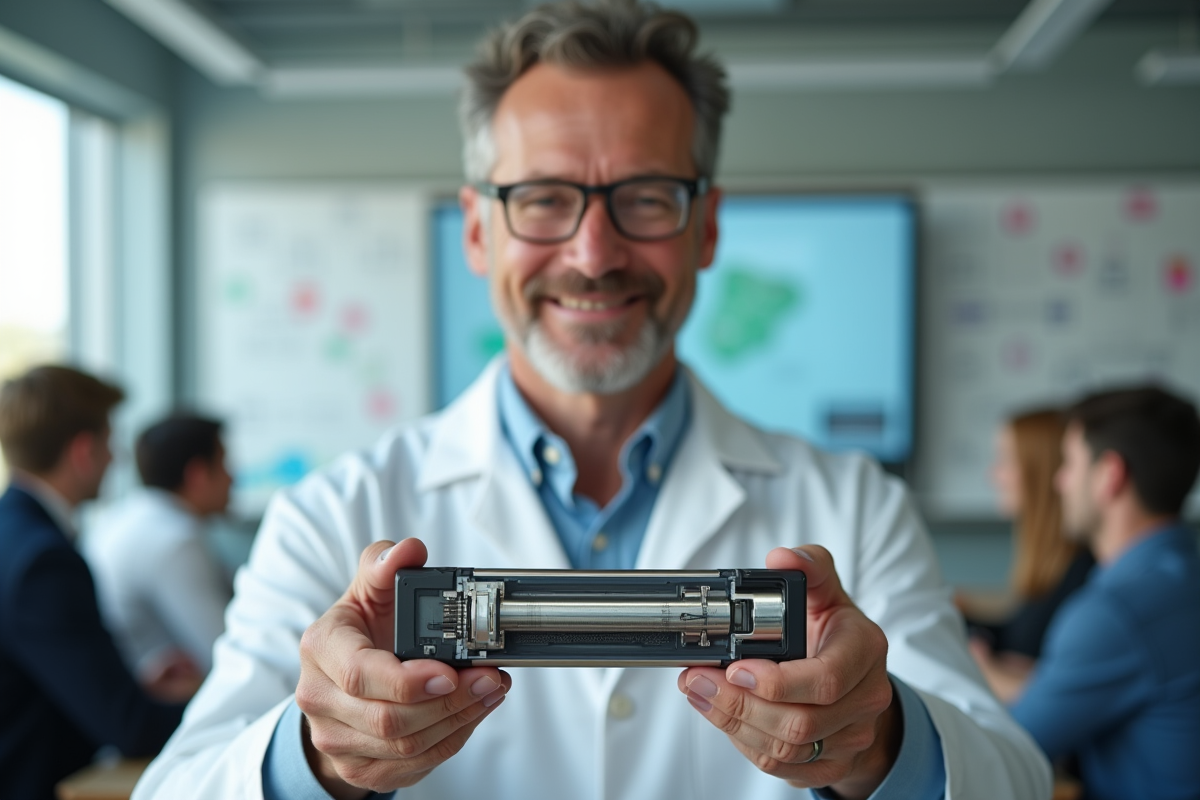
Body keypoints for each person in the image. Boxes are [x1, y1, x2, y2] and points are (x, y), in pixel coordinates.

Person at [134, 3, 1051, 799]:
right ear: (478, 231)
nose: (593, 252)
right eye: (542, 199)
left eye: (646, 198)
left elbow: (1013, 780)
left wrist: (879, 742)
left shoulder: (855, 508)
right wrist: (317, 755)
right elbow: (175, 788)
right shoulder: (333, 513)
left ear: (708, 227)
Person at [0, 365, 193, 800]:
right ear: (84, 451)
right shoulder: (43, 561)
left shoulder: (12, 535)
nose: (115, 458)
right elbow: (130, 728)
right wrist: (229, 706)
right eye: (110, 442)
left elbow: (36, 682)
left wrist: (131, 684)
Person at [1010, 386, 1200, 800]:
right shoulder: (1180, 577)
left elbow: (1006, 747)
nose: (1059, 483)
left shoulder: (1116, 611)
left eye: (1070, 464)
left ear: (1110, 475)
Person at [83, 413, 234, 682]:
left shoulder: (118, 517)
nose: (233, 479)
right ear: (197, 474)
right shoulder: (175, 542)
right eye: (224, 465)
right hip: (158, 709)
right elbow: (229, 656)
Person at [961, 407, 1095, 703]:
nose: (994, 475)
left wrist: (982, 666)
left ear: (1041, 472)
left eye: (1005, 461)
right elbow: (1019, 639)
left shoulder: (1083, 578)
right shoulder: (1054, 566)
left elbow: (1050, 690)